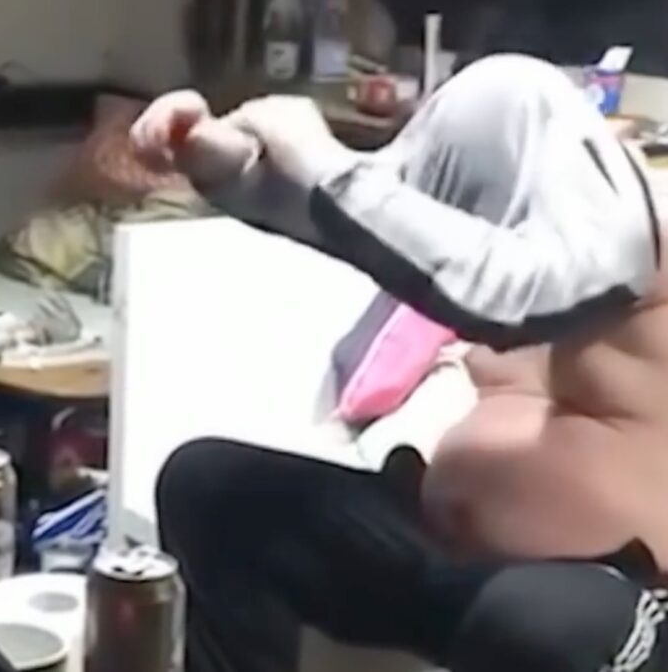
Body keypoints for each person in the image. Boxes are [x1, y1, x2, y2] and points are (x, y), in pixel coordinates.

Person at [132, 54, 668, 671]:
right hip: (446, 564)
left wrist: (316, 157)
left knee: (542, 621)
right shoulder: (505, 201)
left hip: (619, 592)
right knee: (210, 485)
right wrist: (227, 163)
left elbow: (501, 297)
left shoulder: (630, 239)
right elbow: (368, 212)